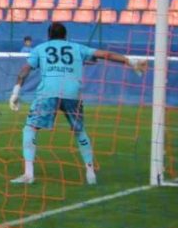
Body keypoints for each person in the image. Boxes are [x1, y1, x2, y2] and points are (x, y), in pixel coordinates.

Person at [8, 22, 147, 185]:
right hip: (72, 93)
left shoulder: (40, 48)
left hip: (48, 92)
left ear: (48, 36)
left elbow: (25, 70)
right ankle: (90, 174)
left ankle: (28, 174)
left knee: (30, 128)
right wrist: (129, 61)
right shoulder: (76, 48)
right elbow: (105, 54)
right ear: (66, 36)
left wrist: (16, 92)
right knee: (79, 131)